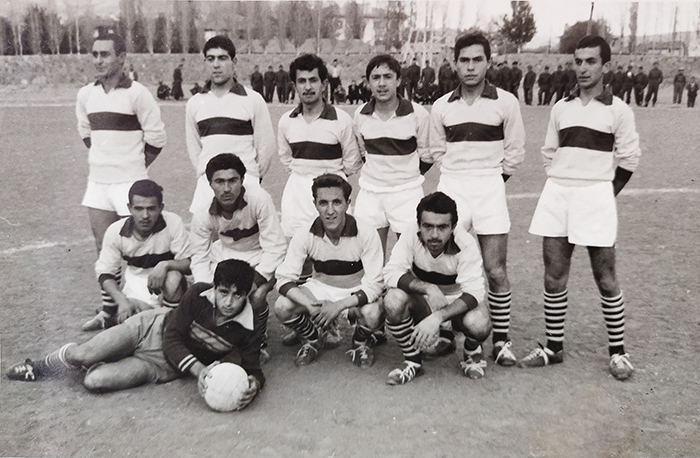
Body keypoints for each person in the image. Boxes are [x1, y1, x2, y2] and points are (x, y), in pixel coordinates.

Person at [521, 36, 640, 381]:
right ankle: (553, 348)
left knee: (606, 277)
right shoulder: (561, 107)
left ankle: (618, 352)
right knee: (554, 275)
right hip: (558, 194)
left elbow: (629, 159)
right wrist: (564, 180)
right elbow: (549, 153)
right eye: (578, 61)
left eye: (591, 61)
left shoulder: (618, 110)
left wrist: (603, 192)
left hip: (596, 196)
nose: (583, 68)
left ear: (606, 66)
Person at [8, 258, 265, 412]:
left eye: (237, 295)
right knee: (82, 354)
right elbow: (172, 337)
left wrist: (252, 385)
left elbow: (254, 369)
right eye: (223, 292)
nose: (229, 302)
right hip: (149, 329)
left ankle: (105, 356)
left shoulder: (248, 326)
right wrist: (200, 370)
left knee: (94, 381)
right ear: (215, 287)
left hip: (162, 365)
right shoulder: (198, 293)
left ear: (246, 295)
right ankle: (39, 366)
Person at [429, 33, 525, 367]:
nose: (470, 67)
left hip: (490, 189)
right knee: (446, 265)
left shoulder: (506, 102)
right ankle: (445, 332)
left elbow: (514, 152)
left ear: (488, 62)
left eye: (477, 60)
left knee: (495, 269)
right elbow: (437, 150)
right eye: (464, 60)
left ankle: (501, 340)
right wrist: (458, 176)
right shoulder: (442, 106)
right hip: (453, 187)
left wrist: (492, 181)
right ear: (455, 64)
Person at [77, 30, 166, 327]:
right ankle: (109, 310)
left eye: (105, 54)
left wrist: (132, 165)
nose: (98, 60)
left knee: (141, 246)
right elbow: (86, 133)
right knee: (104, 247)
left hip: (130, 182)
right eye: (95, 54)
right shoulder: (86, 95)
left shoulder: (138, 93)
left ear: (122, 57)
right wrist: (106, 159)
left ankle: (149, 308)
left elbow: (157, 138)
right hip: (98, 183)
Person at [274, 174, 385, 368]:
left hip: (354, 289)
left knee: (373, 312)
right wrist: (310, 306)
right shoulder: (305, 233)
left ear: (348, 203)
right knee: (282, 306)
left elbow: (375, 284)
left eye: (337, 202)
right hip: (320, 288)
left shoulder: (366, 232)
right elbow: (283, 279)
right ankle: (312, 338)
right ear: (315, 204)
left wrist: (338, 305)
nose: (330, 211)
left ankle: (360, 342)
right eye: (323, 203)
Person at [383, 192, 491, 384]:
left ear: (453, 227)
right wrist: (429, 288)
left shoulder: (465, 243)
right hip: (426, 301)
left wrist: (438, 318)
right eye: (428, 226)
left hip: (456, 305)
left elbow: (474, 292)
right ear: (419, 225)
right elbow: (391, 272)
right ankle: (413, 362)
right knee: (393, 299)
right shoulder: (410, 234)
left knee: (479, 322)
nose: (434, 235)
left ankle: (472, 351)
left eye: (442, 227)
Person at [189, 153, 287, 362]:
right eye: (219, 182)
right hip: (225, 258)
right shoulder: (202, 212)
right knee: (218, 297)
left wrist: (255, 281)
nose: (226, 188)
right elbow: (199, 256)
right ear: (210, 184)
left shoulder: (259, 199)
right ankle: (227, 339)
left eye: (232, 180)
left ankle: (257, 339)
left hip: (261, 256)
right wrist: (207, 289)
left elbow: (276, 246)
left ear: (242, 180)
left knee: (256, 297)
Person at [81, 180, 192, 331]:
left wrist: (165, 265)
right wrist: (122, 301)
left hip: (167, 283)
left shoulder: (173, 222)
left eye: (151, 209)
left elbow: (189, 263)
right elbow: (105, 273)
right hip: (137, 285)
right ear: (129, 208)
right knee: (133, 318)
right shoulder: (115, 231)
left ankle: (172, 325)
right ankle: (110, 317)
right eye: (139, 209)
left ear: (161, 208)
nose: (145, 215)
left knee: (173, 278)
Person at [185, 35, 275, 215]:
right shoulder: (195, 103)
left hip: (245, 182)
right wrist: (208, 175)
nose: (216, 65)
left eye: (222, 58)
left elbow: (266, 146)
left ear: (234, 62)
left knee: (247, 232)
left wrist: (250, 176)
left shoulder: (253, 100)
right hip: (208, 185)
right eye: (210, 59)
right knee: (204, 232)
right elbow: (194, 148)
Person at [353, 54, 433, 255]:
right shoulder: (360, 114)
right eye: (376, 77)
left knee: (410, 257)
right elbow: (363, 152)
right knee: (370, 258)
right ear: (368, 82)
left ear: (398, 80)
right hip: (371, 193)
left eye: (388, 77)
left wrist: (405, 175)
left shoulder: (418, 114)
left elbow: (426, 155)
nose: (381, 84)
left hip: (407, 193)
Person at [278, 54, 362, 241]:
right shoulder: (286, 121)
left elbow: (352, 161)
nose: (308, 87)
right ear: (294, 86)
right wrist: (303, 175)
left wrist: (331, 178)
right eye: (302, 81)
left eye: (313, 80)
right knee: (298, 250)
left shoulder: (342, 120)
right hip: (296, 195)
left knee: (336, 249)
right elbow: (285, 157)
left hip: (332, 193)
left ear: (324, 85)